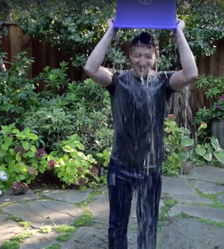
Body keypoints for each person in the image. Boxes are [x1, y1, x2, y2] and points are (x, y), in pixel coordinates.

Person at [84, 18, 198, 249]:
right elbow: (90, 68)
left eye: (148, 56)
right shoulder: (117, 81)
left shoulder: (163, 82)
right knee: (117, 225)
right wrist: (110, 30)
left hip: (150, 168)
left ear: (155, 57)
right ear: (130, 55)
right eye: (137, 55)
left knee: (147, 226)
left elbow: (191, 73)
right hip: (120, 166)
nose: (142, 61)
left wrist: (178, 32)